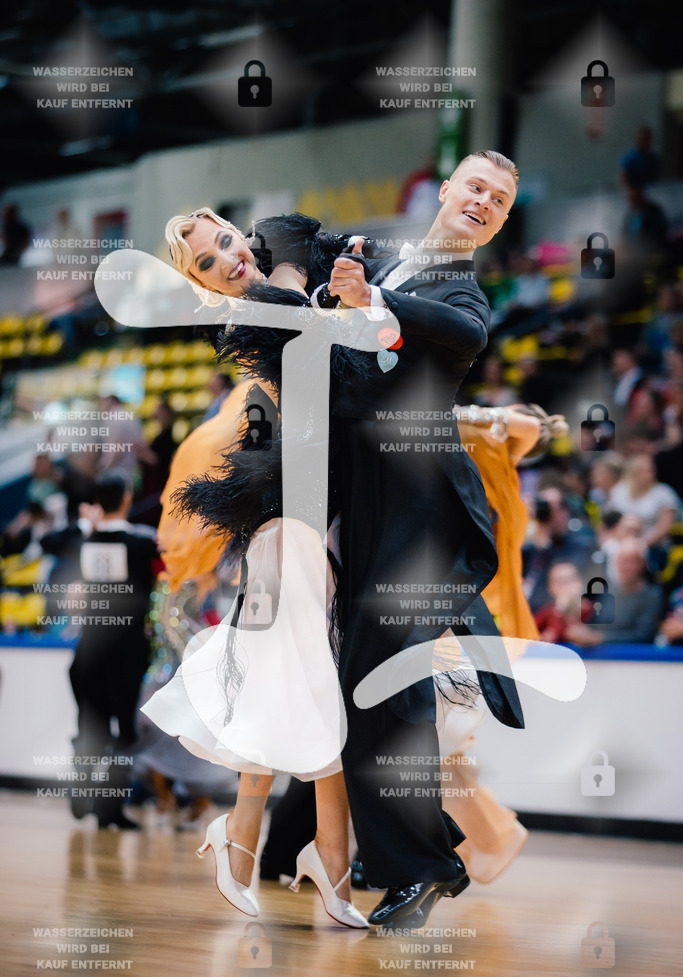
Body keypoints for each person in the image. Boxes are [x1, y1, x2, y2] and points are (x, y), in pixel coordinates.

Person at [151, 151, 525, 930]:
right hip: (355, 505)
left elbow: (463, 334)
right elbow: (290, 253)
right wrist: (298, 299)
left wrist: (365, 298)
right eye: (475, 188)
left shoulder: (444, 280)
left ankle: (412, 867)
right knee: (349, 678)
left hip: (418, 501)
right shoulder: (295, 297)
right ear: (446, 191)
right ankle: (358, 853)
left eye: (498, 197)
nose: (483, 202)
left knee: (378, 673)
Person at [41, 471, 159, 827]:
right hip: (127, 651)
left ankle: (81, 791)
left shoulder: (85, 542)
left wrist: (83, 526)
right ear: (126, 498)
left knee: (90, 724)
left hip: (89, 650)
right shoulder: (141, 545)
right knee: (124, 732)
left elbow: (48, 542)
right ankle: (110, 809)